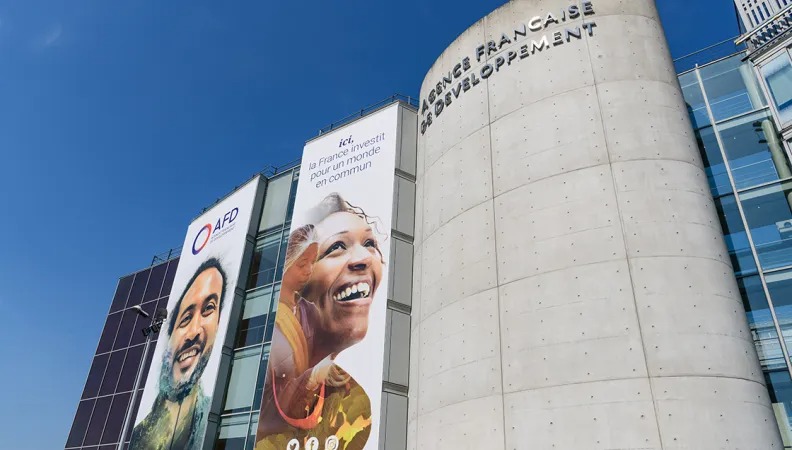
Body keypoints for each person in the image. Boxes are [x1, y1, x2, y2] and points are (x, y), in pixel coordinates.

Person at [256, 193, 384, 450]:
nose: (364, 258)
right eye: (337, 246)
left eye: (369, 242)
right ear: (300, 275)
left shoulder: (352, 403)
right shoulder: (271, 362)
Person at [129, 258, 227, 450]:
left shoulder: (214, 418)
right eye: (186, 318)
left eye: (209, 309)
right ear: (170, 335)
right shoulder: (138, 437)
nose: (193, 332)